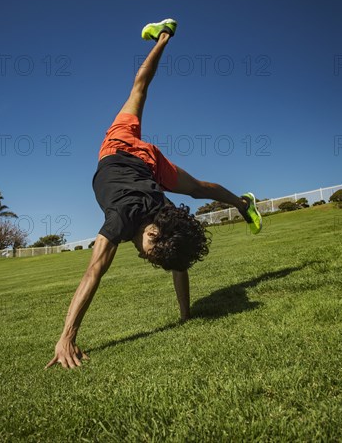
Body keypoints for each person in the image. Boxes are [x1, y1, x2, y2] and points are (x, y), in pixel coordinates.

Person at [45, 19, 262, 370]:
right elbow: (92, 274)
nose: (146, 257)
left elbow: (177, 257)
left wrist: (185, 316)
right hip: (121, 146)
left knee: (198, 187)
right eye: (151, 254)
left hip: (148, 165)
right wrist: (66, 336)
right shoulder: (127, 219)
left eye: (151, 256)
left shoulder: (163, 215)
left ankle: (242, 203)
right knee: (139, 88)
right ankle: (164, 34)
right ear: (151, 231)